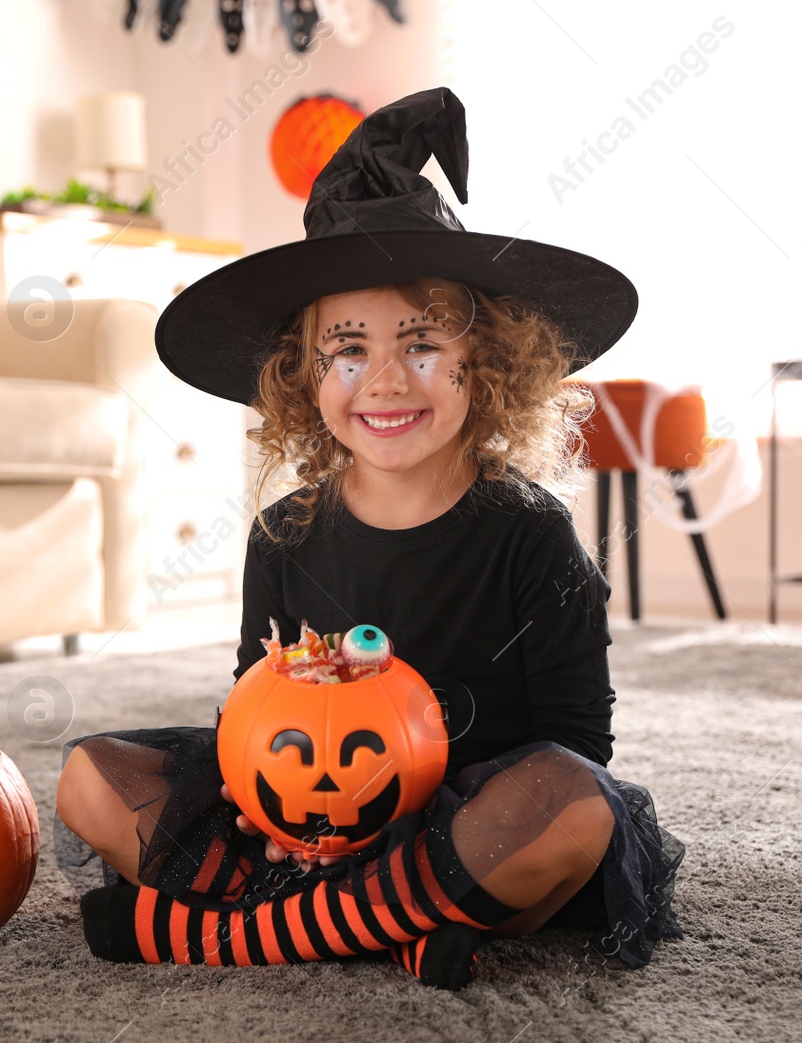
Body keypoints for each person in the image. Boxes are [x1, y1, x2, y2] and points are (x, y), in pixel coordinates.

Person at [52, 87, 685, 991]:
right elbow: (253, 704)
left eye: (422, 343)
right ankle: (390, 925)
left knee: (571, 807)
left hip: (465, 819)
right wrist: (269, 814)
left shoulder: (534, 535)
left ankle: (244, 929)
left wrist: (429, 809)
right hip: (312, 815)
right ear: (304, 377)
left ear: (486, 364)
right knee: (90, 776)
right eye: (348, 349)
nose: (384, 380)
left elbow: (577, 739)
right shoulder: (284, 535)